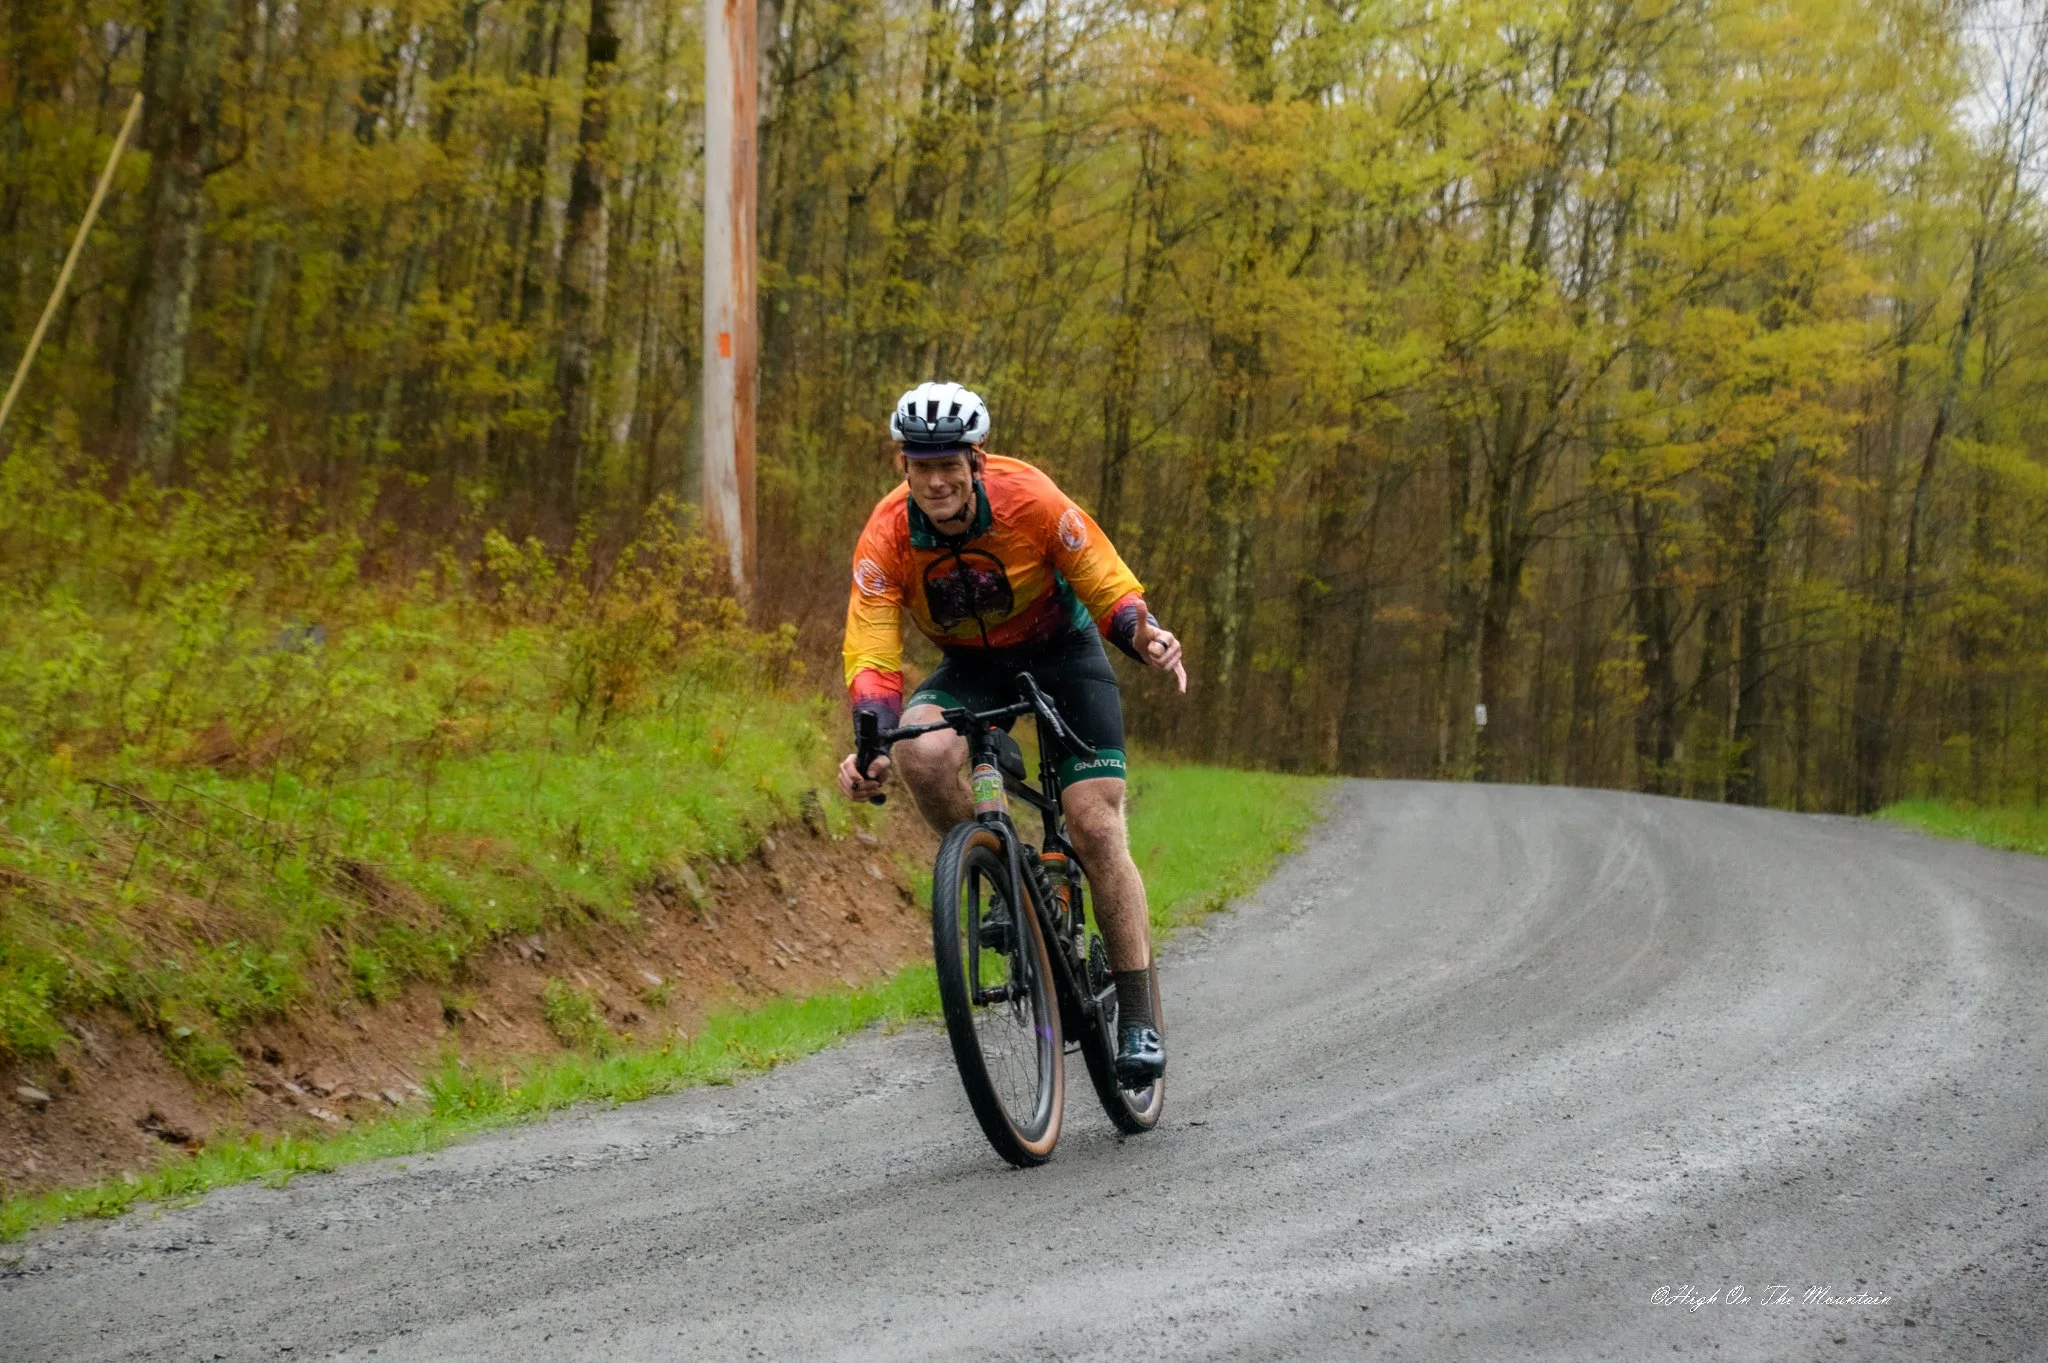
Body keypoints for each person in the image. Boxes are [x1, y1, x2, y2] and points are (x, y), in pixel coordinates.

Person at [838, 381, 1186, 1085]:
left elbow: (1100, 574)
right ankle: (1003, 874)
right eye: (921, 465)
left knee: (1093, 826)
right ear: (903, 466)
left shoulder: (1030, 498)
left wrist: (1139, 633)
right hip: (970, 664)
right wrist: (872, 742)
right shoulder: (886, 536)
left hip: (1064, 651)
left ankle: (1140, 1012)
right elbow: (873, 648)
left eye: (950, 465)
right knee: (923, 749)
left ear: (977, 461)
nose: (936, 480)